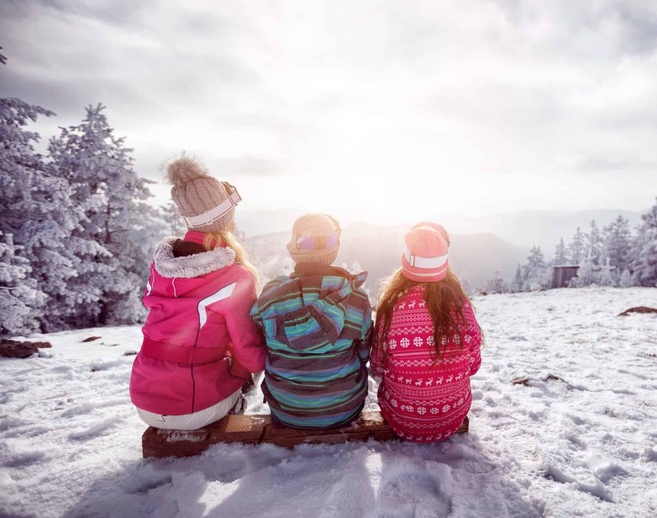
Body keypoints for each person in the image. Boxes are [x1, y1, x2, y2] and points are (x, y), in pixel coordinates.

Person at [129, 156, 267, 430]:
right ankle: (232, 404)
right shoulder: (235, 276)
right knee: (243, 358)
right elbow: (248, 351)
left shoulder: (162, 268)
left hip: (144, 401)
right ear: (226, 218)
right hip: (192, 407)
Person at [250, 213, 373, 429]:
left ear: (294, 249)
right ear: (334, 250)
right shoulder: (356, 298)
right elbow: (364, 353)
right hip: (344, 408)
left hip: (285, 409)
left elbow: (263, 341)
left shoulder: (272, 294)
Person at [370, 222, 482, 443]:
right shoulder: (462, 308)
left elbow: (377, 366)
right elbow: (473, 366)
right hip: (452, 417)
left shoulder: (391, 308)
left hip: (401, 418)